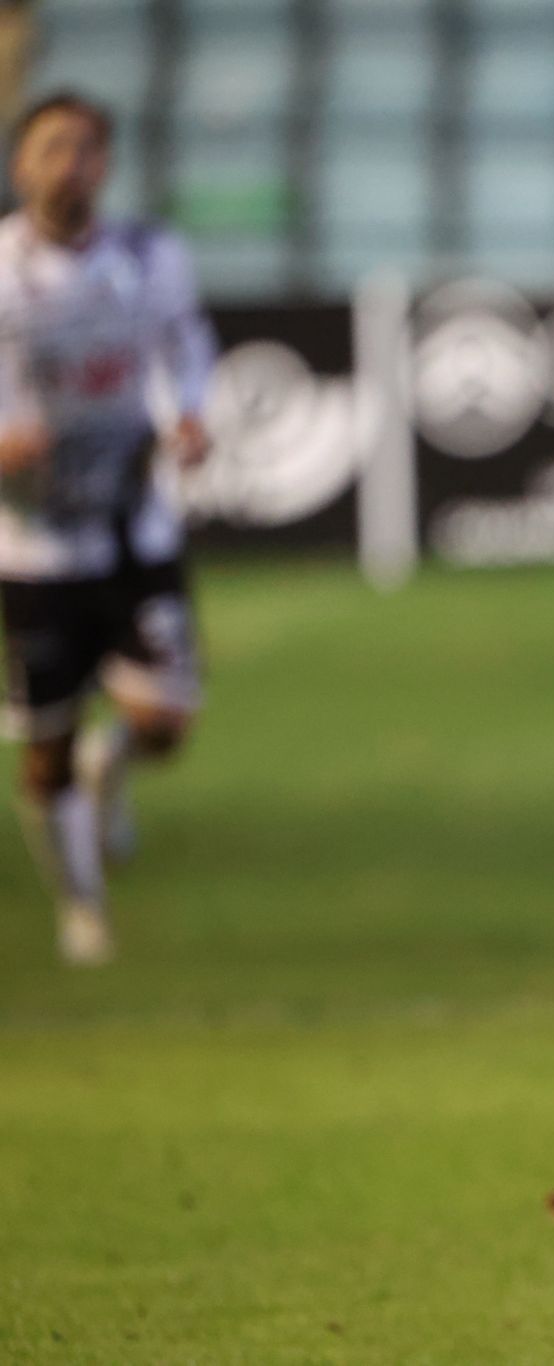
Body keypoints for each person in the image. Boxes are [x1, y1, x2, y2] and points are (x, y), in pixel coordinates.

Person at [0, 91, 214, 965]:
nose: (72, 165)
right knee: (42, 750)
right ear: (22, 164)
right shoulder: (3, 272)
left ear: (107, 164)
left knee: (165, 722)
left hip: (134, 526)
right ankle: (81, 908)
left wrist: (188, 414)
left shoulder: (150, 255)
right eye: (54, 148)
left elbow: (182, 346)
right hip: (34, 547)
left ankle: (113, 762)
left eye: (88, 149)